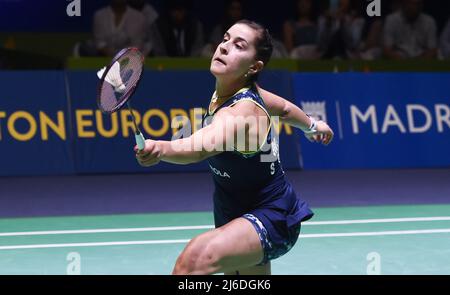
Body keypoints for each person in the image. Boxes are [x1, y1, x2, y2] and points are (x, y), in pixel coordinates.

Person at [135, 20, 334, 275]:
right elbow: (283, 108)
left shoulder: (243, 111)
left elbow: (201, 147)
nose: (225, 47)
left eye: (239, 45)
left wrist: (160, 148)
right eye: (225, 39)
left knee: (193, 261)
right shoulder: (233, 92)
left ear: (255, 67)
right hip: (234, 211)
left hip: (271, 217)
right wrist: (312, 126)